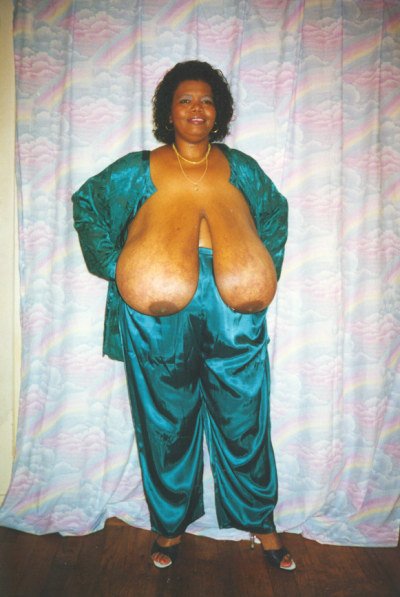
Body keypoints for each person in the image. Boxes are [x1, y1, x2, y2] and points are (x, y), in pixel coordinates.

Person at [72, 60, 295, 572]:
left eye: (207, 100)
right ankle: (170, 526)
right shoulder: (138, 167)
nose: (198, 109)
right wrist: (119, 266)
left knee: (244, 418)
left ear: (220, 111)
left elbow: (275, 214)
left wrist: (261, 271)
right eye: (186, 100)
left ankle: (261, 522)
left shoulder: (240, 167)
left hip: (233, 307)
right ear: (168, 111)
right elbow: (87, 204)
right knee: (166, 422)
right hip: (157, 312)